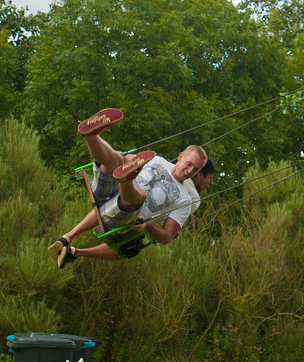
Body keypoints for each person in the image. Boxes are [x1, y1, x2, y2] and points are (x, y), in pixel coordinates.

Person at [48, 108, 207, 268]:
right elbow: (130, 159)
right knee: (116, 160)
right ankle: (91, 135)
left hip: (125, 213)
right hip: (108, 191)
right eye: (189, 164)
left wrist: (148, 226)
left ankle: (126, 179)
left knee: (140, 197)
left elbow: (167, 237)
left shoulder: (184, 199)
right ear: (180, 157)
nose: (190, 171)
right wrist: (127, 160)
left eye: (196, 170)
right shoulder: (158, 160)